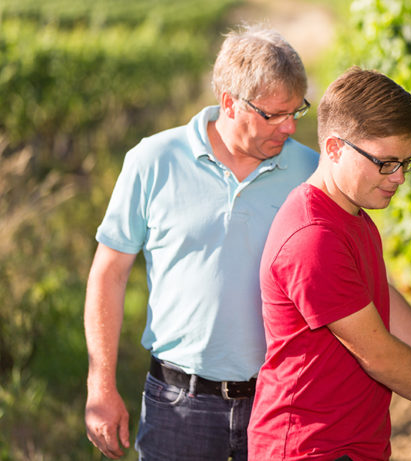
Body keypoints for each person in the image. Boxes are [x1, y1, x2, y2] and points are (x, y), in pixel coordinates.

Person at [248, 67, 411, 461]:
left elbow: (374, 301)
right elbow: (379, 355)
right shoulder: (313, 237)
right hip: (310, 448)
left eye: (407, 162)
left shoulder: (351, 214)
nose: (400, 178)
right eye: (387, 162)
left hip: (350, 446)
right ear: (336, 148)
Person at [83, 25, 319, 461]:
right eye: (273, 115)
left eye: (296, 111)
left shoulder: (311, 172)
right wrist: (101, 384)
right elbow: (109, 273)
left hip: (281, 404)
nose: (289, 127)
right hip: (178, 409)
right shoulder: (152, 161)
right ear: (229, 102)